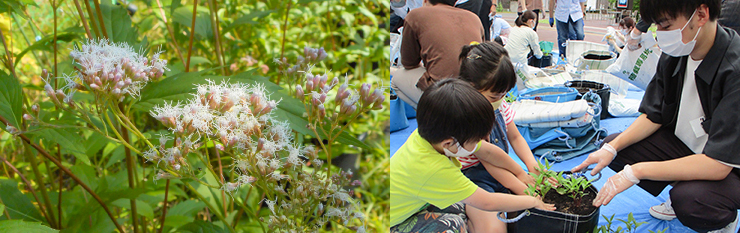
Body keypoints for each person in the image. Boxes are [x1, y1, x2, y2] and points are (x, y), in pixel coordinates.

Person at [571, 0, 740, 232]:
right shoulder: (678, 51)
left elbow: (718, 165)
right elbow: (654, 115)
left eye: (666, 26)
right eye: (656, 27)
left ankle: (722, 216)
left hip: (730, 167)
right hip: (689, 147)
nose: (659, 35)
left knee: (691, 201)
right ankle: (685, 181)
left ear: (700, 14)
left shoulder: (734, 69)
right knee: (615, 146)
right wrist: (611, 149)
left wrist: (636, 171)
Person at [390, 78, 555, 233]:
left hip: (406, 202)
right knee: (453, 224)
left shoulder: (432, 133)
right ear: (448, 143)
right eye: (475, 140)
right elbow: (487, 201)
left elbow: (488, 151)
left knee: (460, 205)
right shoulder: (433, 168)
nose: (479, 144)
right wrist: (533, 201)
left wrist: (520, 173)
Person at [455, 42, 556, 232]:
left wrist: (533, 167)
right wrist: (523, 189)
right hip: (474, 179)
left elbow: (516, 138)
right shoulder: (467, 117)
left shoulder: (499, 105)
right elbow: (489, 162)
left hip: (502, 170)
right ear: (470, 88)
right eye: (494, 96)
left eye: (504, 94)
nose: (500, 100)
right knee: (495, 229)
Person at [391, 0, 484, 109]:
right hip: (477, 94)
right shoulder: (474, 18)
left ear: (425, 1)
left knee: (396, 79)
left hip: (444, 95)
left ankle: (433, 116)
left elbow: (408, 63)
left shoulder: (416, 15)